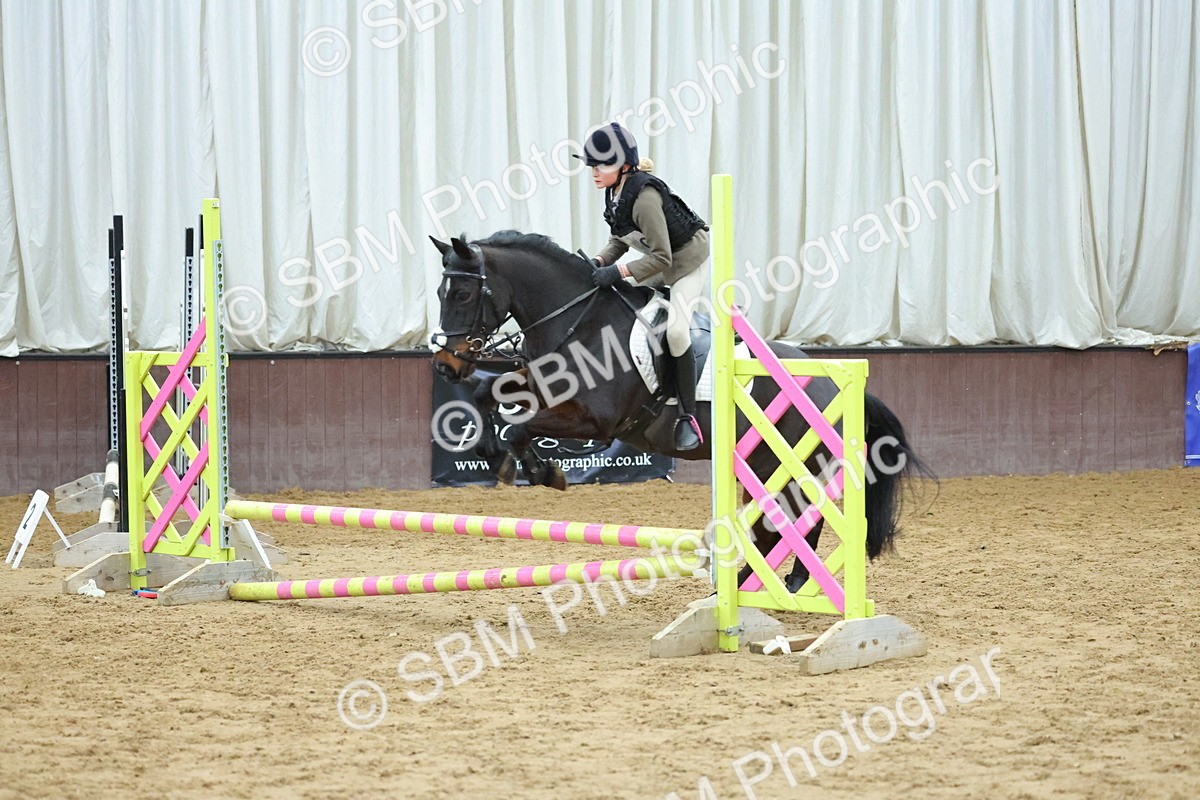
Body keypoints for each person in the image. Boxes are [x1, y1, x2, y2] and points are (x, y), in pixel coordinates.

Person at [574, 122, 710, 451]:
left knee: (677, 332)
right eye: (591, 164)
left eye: (601, 164)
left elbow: (662, 259)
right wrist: (598, 261)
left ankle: (687, 416)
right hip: (657, 261)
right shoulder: (615, 192)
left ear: (623, 167)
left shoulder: (645, 198)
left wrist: (619, 272)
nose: (593, 171)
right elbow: (619, 241)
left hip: (686, 264)